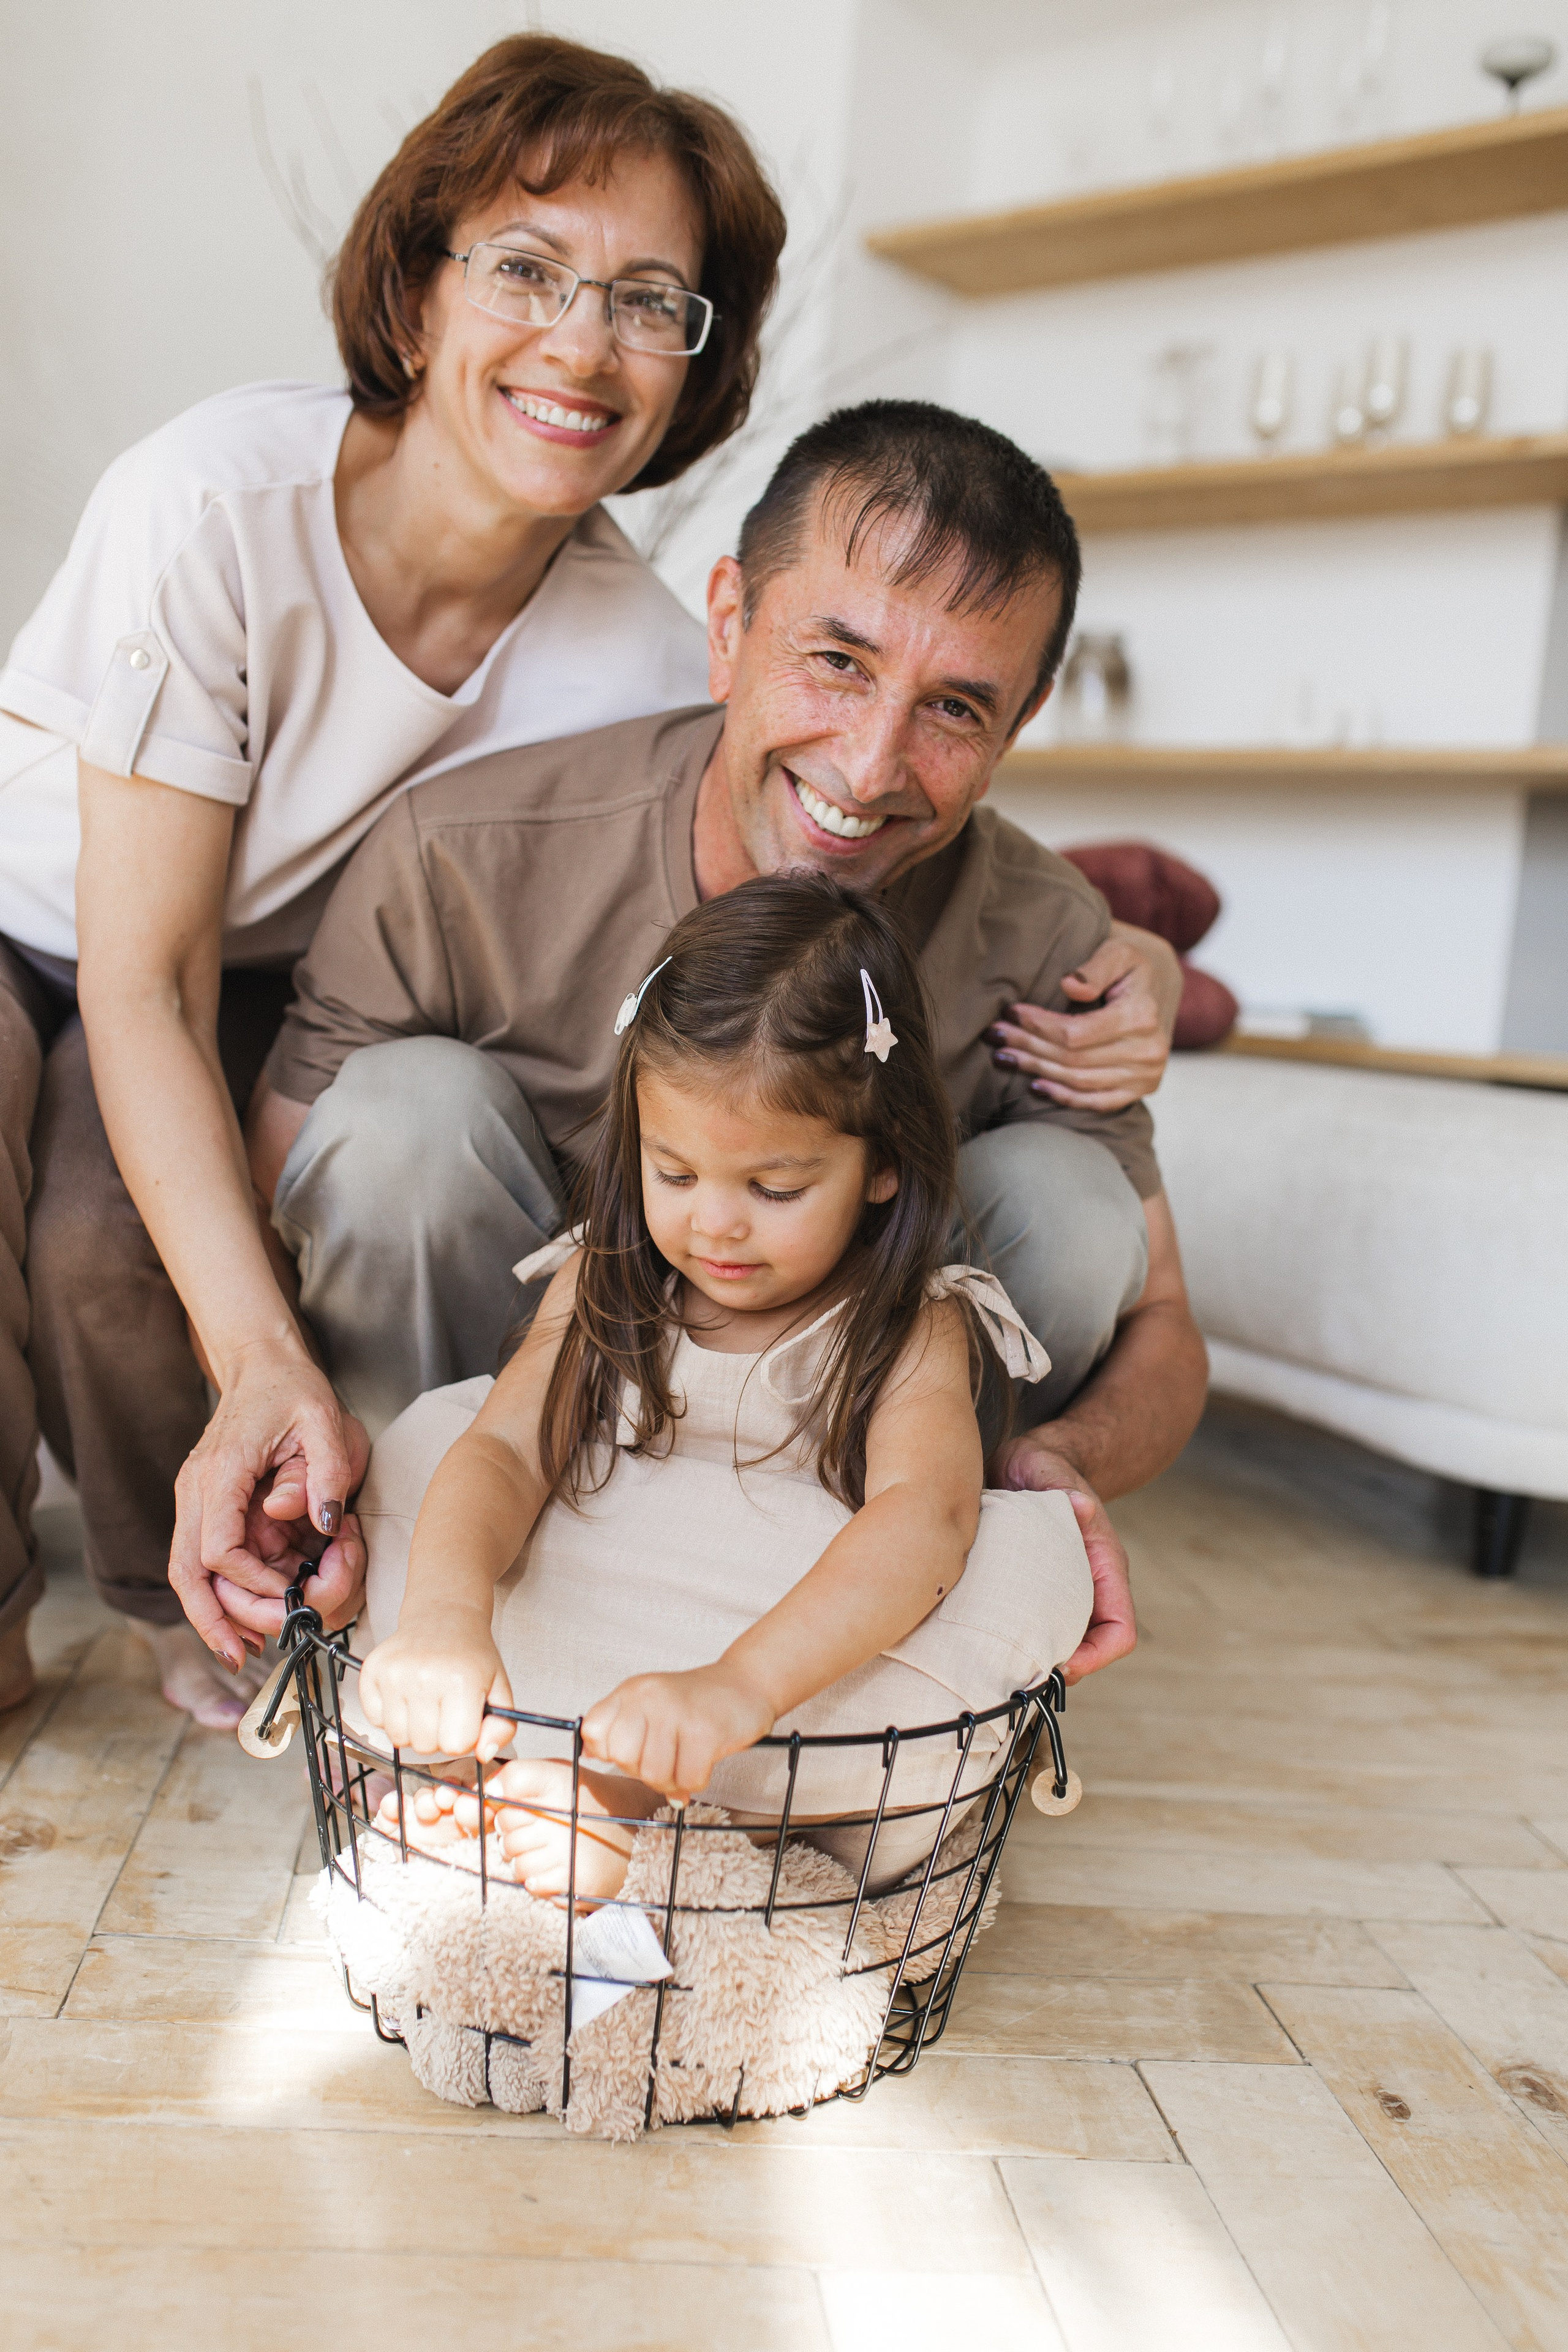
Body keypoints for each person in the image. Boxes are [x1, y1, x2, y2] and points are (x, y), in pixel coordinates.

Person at [0, 33, 790, 1724]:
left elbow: (773, 867)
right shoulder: (213, 505)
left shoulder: (644, 660)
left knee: (106, 1234)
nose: (584, 342)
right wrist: (267, 1357)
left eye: (652, 300)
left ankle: (181, 1592)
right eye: (526, 268)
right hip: (49, 920)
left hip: (270, 970)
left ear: (693, 368)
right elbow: (135, 978)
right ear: (417, 292)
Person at [223, 399, 1207, 1686]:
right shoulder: (458, 858)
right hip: (486, 1449)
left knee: (1072, 1201)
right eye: (837, 660)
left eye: (955, 708)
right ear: (730, 623)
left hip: (823, 1511)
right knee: (400, 1117)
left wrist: (1061, 1464)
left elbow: (1164, 1320)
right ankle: (407, 1606)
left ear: (1015, 729)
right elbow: (267, 1200)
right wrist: (258, 1416)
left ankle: (890, 1628)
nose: (866, 764)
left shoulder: (1045, 934)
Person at [356, 873, 1100, 1902]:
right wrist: (445, 1616)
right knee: (426, 1445)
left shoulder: (915, 1317)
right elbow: (508, 1450)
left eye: (774, 1189)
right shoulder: (606, 1272)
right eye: (675, 1174)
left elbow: (922, 1521)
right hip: (599, 1605)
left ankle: (603, 1800)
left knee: (1026, 1560)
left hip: (778, 1658)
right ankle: (518, 1767)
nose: (715, 1226)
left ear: (883, 1165)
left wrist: (735, 1687)